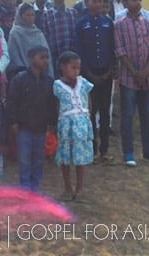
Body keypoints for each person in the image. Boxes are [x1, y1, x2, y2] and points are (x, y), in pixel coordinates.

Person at [114, 0, 149, 167]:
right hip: (129, 79)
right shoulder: (119, 24)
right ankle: (128, 153)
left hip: (147, 77)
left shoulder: (148, 23)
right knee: (127, 115)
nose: (138, 2)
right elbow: (120, 51)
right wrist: (135, 72)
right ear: (126, 2)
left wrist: (145, 71)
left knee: (146, 114)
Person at [75, 0, 116, 165]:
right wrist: (88, 73)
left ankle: (104, 151)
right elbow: (79, 50)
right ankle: (91, 150)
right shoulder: (81, 23)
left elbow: (113, 48)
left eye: (100, 1)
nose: (97, 4)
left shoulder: (108, 22)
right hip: (88, 74)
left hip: (106, 74)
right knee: (90, 113)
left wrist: (109, 72)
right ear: (86, 2)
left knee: (105, 113)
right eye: (94, 1)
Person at [7, 46, 56, 192]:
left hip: (41, 128)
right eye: (42, 57)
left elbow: (51, 105)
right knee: (24, 159)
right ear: (31, 59)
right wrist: (13, 122)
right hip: (24, 127)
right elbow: (12, 102)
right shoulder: (20, 79)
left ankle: (35, 187)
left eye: (47, 57)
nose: (45, 61)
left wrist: (51, 124)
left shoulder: (48, 81)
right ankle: (25, 188)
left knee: (39, 159)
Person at [53, 51, 94, 201]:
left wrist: (87, 117)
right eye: (73, 67)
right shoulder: (57, 85)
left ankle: (80, 188)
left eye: (78, 68)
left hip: (82, 124)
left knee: (80, 158)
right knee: (66, 157)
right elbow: (56, 106)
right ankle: (67, 187)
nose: (76, 71)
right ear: (63, 67)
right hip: (66, 125)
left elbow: (88, 101)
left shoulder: (83, 83)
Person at [41, 0, 78, 77]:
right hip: (55, 59)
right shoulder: (46, 15)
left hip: (72, 58)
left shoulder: (73, 13)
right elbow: (46, 37)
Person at [7, 3, 53, 78]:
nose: (31, 18)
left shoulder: (38, 32)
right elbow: (14, 55)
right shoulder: (15, 33)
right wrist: (25, 71)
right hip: (23, 74)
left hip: (42, 73)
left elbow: (47, 54)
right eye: (28, 15)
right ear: (21, 16)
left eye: (33, 15)